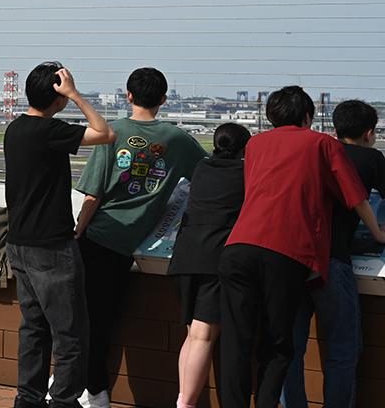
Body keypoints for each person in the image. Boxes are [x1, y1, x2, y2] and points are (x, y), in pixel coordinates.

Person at [219, 86, 385, 408]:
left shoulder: (255, 144)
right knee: (280, 345)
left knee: (236, 345)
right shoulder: (321, 143)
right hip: (288, 252)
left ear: (271, 115)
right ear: (308, 115)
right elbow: (355, 196)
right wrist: (377, 234)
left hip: (237, 248)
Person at [73, 67, 209, 408]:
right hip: (129, 245)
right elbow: (208, 174)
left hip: (99, 237)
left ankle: (94, 391)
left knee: (89, 321)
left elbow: (92, 196)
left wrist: (77, 232)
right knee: (102, 317)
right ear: (164, 99)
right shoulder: (178, 140)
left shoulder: (111, 132)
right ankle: (84, 385)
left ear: (128, 96)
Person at [4, 62, 116, 408]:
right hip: (51, 247)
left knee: (33, 328)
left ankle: (28, 397)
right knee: (71, 335)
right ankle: (64, 401)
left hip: (19, 243)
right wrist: (74, 94)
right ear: (57, 95)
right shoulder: (48, 131)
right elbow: (105, 133)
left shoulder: (15, 128)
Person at [281, 99, 385, 408]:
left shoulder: (312, 151)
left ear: (335, 130)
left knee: (291, 348)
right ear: (369, 133)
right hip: (332, 259)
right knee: (344, 348)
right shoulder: (371, 159)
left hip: (289, 258)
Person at [167, 122, 251, 408]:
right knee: (203, 336)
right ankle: (186, 404)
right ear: (244, 149)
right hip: (215, 259)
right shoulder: (245, 173)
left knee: (192, 334)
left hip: (185, 256)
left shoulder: (202, 168)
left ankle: (183, 399)